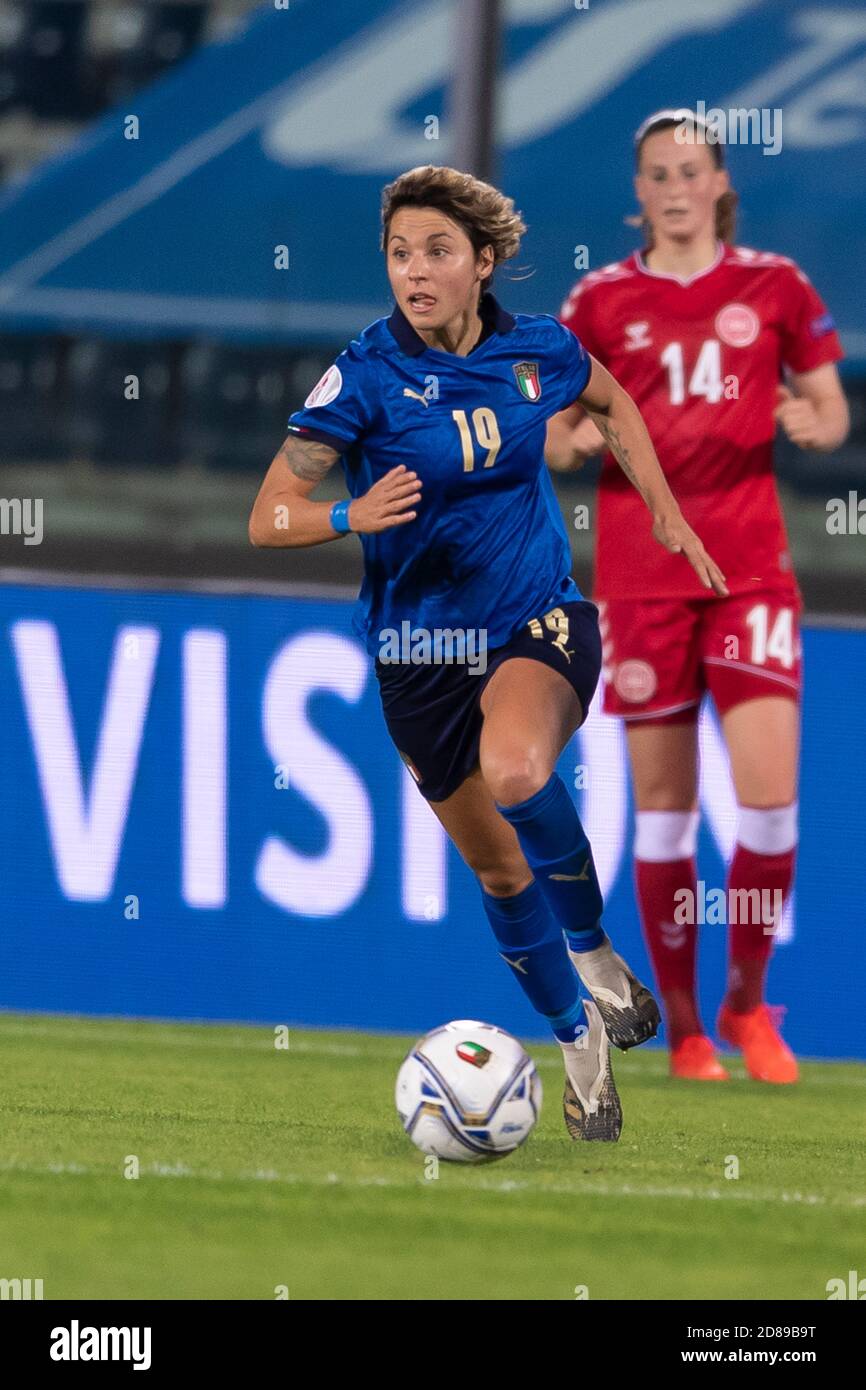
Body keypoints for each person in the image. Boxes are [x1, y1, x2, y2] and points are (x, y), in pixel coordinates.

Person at [249, 163, 726, 1141]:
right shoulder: (365, 374)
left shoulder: (539, 352)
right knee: (501, 875)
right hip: (418, 649)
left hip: (532, 617)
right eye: (397, 254)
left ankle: (594, 952)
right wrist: (348, 511)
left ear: (483, 262)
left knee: (517, 767)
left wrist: (667, 516)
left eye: (434, 252)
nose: (412, 273)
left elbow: (612, 402)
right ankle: (577, 1041)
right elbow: (266, 517)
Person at [548, 110, 849, 1084]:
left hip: (748, 568)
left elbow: (829, 404)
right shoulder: (596, 302)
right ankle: (682, 1030)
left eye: (689, 171)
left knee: (767, 804)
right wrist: (571, 440)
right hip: (640, 577)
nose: (673, 188)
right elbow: (548, 435)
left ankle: (747, 1001)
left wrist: (811, 418)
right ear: (635, 192)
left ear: (719, 183)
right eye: (655, 174)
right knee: (665, 813)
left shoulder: (773, 287)